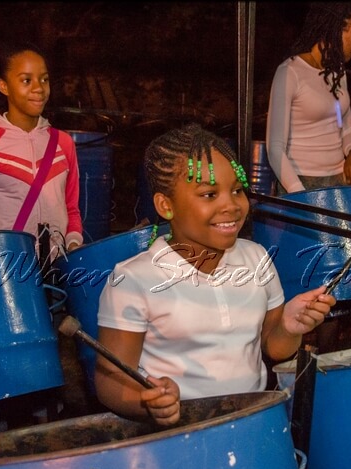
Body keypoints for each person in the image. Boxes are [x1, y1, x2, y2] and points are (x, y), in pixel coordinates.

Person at [94, 123, 336, 426]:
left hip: (252, 422)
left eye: (237, 190)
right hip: (179, 434)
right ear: (166, 205)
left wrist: (290, 326)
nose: (231, 205)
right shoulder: (133, 279)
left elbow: (274, 348)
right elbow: (110, 379)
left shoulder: (256, 258)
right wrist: (144, 400)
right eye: (209, 194)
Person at [0, 41, 83, 263]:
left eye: (44, 79)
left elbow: (71, 209)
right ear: (4, 86)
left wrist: (73, 245)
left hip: (57, 269)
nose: (39, 88)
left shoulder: (63, 143)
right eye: (27, 80)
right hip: (5, 267)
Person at [265, 2, 351, 195]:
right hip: (300, 183)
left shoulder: (338, 74)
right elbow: (275, 149)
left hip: (338, 182)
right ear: (337, 30)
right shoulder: (290, 72)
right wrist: (299, 194)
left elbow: (343, 125)